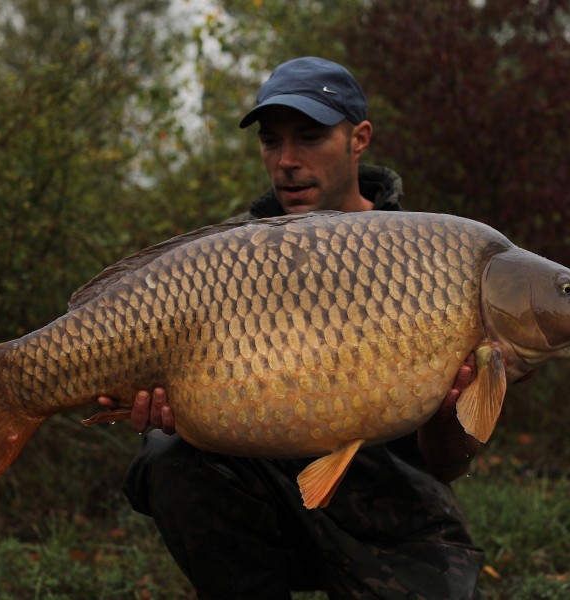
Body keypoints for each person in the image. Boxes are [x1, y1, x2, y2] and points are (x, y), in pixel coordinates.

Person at [98, 57, 484, 599]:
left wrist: (451, 414)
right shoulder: (228, 262)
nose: (287, 162)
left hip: (390, 515)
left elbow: (445, 465)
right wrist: (163, 412)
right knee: (168, 455)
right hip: (264, 501)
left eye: (309, 137)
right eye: (271, 142)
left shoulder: (428, 261)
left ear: (359, 138)